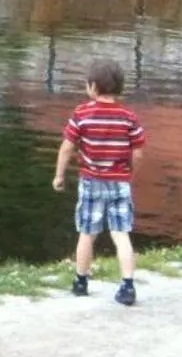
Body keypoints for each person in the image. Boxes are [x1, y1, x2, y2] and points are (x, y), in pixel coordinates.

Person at [52, 59, 147, 306]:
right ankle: (127, 285)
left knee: (87, 233)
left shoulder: (82, 114)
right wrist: (131, 175)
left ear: (93, 87)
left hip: (91, 181)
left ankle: (80, 282)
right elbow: (138, 153)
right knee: (121, 233)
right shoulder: (129, 117)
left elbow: (67, 147)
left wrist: (59, 175)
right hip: (119, 182)